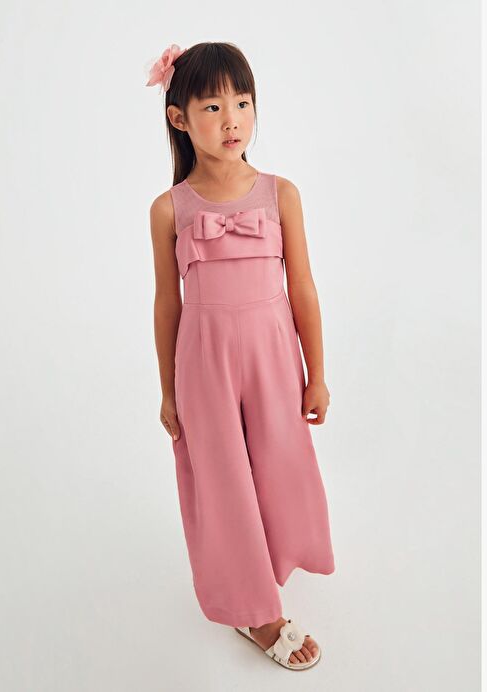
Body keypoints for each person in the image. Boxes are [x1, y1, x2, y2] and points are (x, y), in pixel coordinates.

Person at [147, 41, 335, 671]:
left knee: (279, 465)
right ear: (179, 118)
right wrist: (168, 390)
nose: (232, 120)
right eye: (212, 106)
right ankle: (256, 611)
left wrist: (317, 373)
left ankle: (271, 561)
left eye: (243, 103)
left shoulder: (281, 194)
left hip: (272, 358)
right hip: (205, 366)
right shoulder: (169, 210)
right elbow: (167, 305)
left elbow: (302, 287)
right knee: (223, 477)